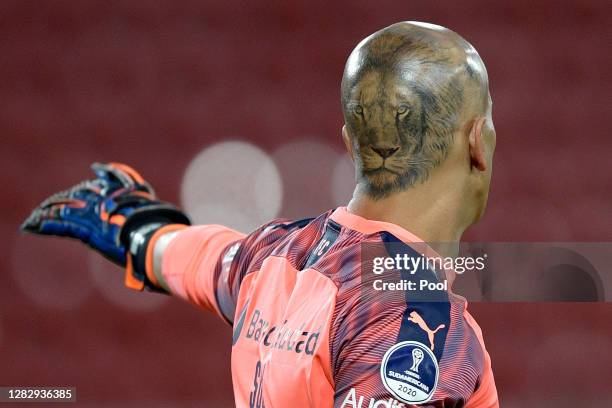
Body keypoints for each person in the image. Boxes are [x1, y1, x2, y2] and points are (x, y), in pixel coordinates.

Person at [22, 21, 498, 407]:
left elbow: (192, 257)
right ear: (478, 142)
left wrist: (132, 228)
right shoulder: (418, 323)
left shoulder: (273, 255)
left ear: (351, 144)